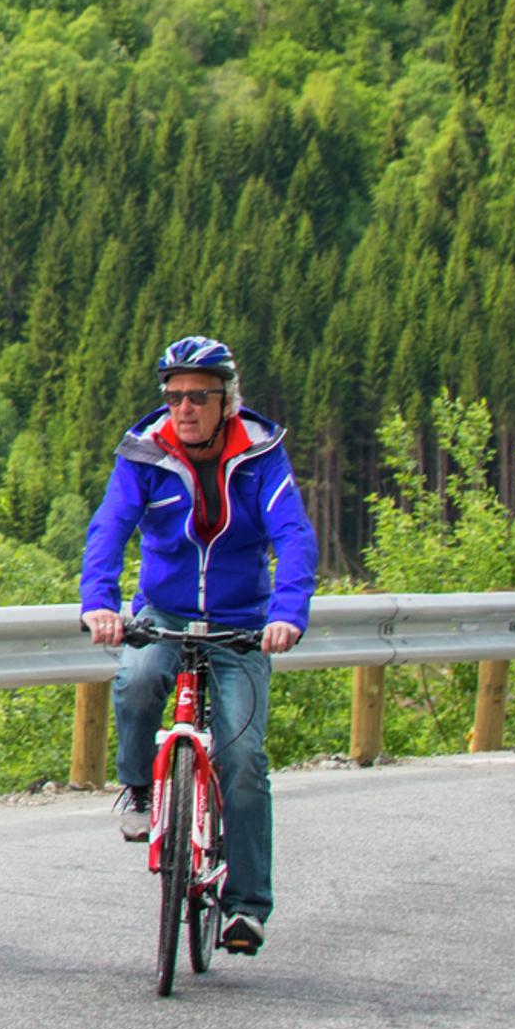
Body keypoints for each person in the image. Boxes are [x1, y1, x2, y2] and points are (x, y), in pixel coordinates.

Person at [81, 334, 316, 956]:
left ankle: (246, 907)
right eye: (175, 395)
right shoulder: (144, 453)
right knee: (135, 683)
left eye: (199, 397)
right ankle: (137, 787)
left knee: (242, 762)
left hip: (242, 621)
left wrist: (287, 614)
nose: (184, 408)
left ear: (226, 403)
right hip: (165, 611)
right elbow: (110, 526)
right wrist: (100, 603)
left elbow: (292, 536)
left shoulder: (261, 456)